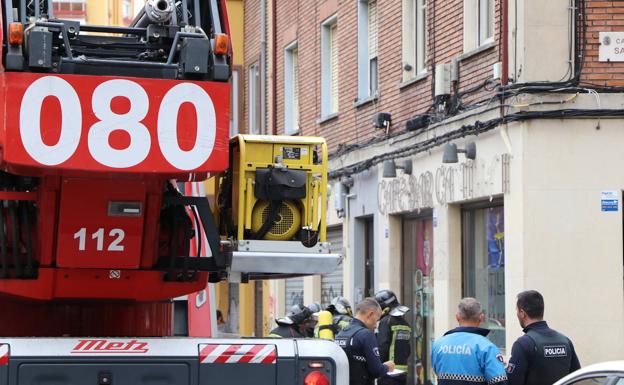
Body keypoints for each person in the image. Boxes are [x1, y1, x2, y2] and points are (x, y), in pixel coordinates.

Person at [507, 290, 580, 385]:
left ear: (522, 313)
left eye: (517, 310)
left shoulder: (523, 344)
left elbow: (513, 381)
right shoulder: (565, 341)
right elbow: (577, 377)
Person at [431, 298, 508, 385]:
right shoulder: (487, 347)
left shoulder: (438, 345)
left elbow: (437, 372)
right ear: (481, 317)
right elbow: (499, 382)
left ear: (457, 317)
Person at [335, 298, 395, 385]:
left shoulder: (341, 333)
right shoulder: (366, 335)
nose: (375, 325)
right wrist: (387, 367)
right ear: (370, 314)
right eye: (377, 320)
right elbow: (376, 371)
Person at [374, 290, 411, 385]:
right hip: (402, 373)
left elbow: (382, 347)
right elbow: (408, 350)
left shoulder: (386, 322)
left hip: (388, 372)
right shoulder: (404, 323)